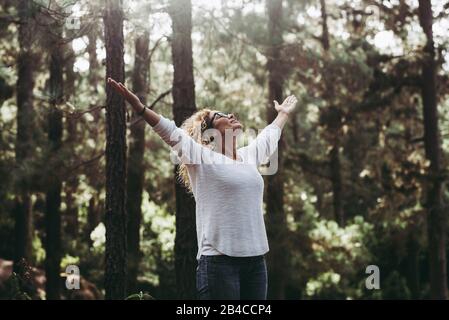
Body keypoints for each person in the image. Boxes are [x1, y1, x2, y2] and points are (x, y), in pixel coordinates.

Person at [107, 77, 297, 299]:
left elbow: (268, 137)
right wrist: (140, 108)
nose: (230, 115)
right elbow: (171, 132)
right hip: (219, 262)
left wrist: (283, 112)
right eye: (221, 116)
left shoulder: (248, 157)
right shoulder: (202, 159)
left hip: (255, 262)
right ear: (210, 132)